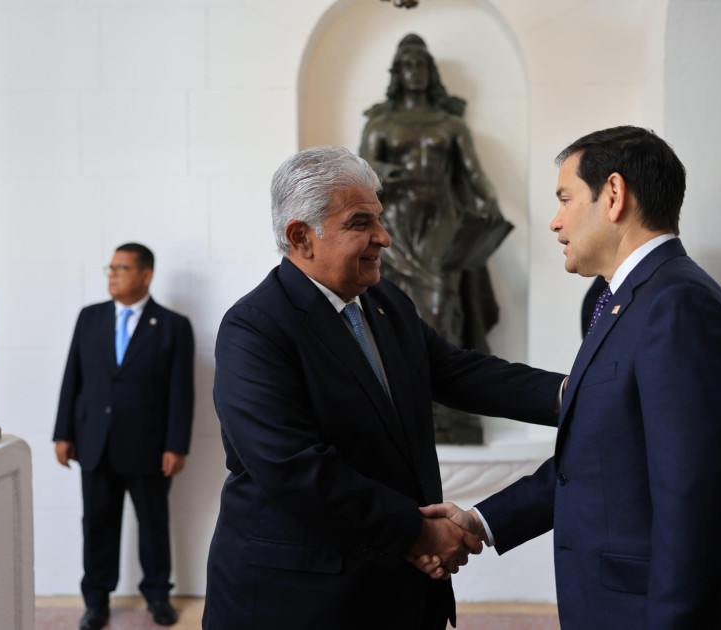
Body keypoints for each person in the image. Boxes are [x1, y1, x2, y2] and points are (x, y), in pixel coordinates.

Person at [418, 127, 721, 628]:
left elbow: (700, 509)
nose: (555, 221)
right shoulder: (618, 301)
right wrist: (482, 520)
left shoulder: (678, 306)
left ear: (613, 196)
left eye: (565, 198)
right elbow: (596, 460)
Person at [202, 146, 564, 630]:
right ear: (301, 237)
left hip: (398, 594)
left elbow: (461, 373)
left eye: (379, 219)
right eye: (361, 223)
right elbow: (295, 469)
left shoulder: (385, 302)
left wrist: (577, 393)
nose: (385, 237)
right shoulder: (255, 329)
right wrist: (420, 533)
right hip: (298, 602)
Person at [360, 34, 509, 443]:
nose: (415, 73)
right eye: (408, 66)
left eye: (422, 66)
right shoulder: (380, 124)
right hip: (398, 222)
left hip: (442, 220)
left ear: (431, 73)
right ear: (398, 73)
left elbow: (474, 172)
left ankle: (445, 404)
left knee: (443, 307)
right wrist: (383, 173)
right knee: (396, 310)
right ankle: (409, 401)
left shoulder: (451, 125)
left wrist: (492, 200)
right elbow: (361, 172)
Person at [53, 243, 194, 630]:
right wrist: (62, 433)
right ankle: (95, 601)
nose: (112, 274)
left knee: (152, 524)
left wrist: (176, 444)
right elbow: (72, 379)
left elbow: (181, 393)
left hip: (149, 448)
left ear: (145, 274)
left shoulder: (172, 326)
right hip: (93, 443)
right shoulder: (90, 318)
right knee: (96, 524)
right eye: (110, 267)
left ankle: (158, 597)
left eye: (122, 267)